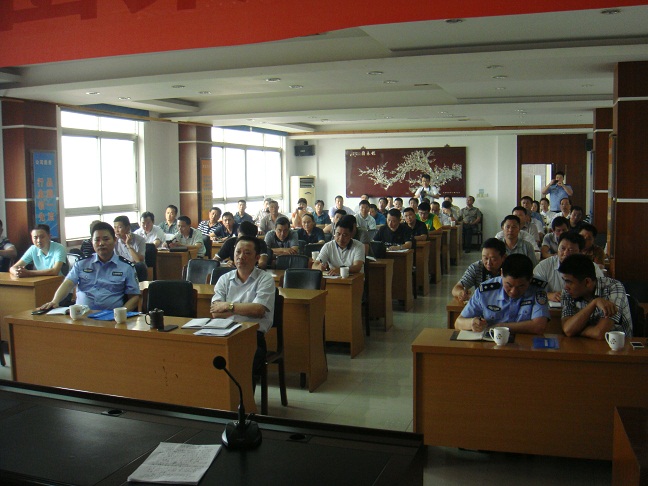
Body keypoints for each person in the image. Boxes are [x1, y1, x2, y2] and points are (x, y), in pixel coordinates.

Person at [210, 236, 275, 380]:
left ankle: (244, 395)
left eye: (247, 253)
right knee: (208, 359)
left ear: (257, 257)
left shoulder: (265, 279)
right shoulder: (224, 279)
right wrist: (245, 309)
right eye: (238, 252)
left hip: (252, 336)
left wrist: (228, 306)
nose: (241, 257)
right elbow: (216, 313)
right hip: (224, 332)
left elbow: (258, 310)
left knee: (242, 364)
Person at [38, 222, 140, 311]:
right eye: (97, 240)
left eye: (106, 239)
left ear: (114, 240)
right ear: (92, 242)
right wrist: (55, 301)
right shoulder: (82, 263)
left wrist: (121, 313)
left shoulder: (126, 267)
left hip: (111, 318)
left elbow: (134, 297)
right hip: (81, 316)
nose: (101, 243)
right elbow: (68, 283)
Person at [455, 254, 549, 335]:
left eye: (521, 286)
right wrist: (472, 323)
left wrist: (500, 327)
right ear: (501, 273)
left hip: (525, 345)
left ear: (531, 279)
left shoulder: (537, 289)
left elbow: (539, 326)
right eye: (509, 285)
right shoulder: (486, 291)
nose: (513, 291)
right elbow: (458, 323)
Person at [559, 254, 632, 339]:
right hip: (582, 344)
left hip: (616, 345)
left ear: (587, 282)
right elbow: (567, 330)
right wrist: (594, 303)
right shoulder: (567, 292)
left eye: (569, 282)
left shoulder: (613, 287)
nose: (565, 287)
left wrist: (576, 331)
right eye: (564, 281)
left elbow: (600, 333)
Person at [534, 232, 603, 302]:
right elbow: (532, 289)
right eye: (562, 248)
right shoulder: (544, 266)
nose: (565, 253)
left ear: (580, 252)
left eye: (571, 250)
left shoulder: (591, 267)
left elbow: (600, 288)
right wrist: (548, 295)